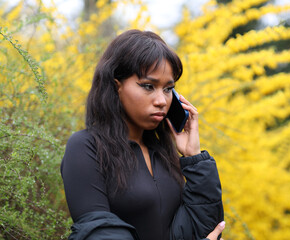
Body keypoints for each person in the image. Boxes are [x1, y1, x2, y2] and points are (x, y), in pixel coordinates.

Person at [61, 29, 224, 240]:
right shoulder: (87, 147)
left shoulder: (164, 154)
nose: (162, 101)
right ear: (116, 85)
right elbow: (99, 234)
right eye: (148, 86)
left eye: (168, 89)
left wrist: (193, 157)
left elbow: (207, 230)